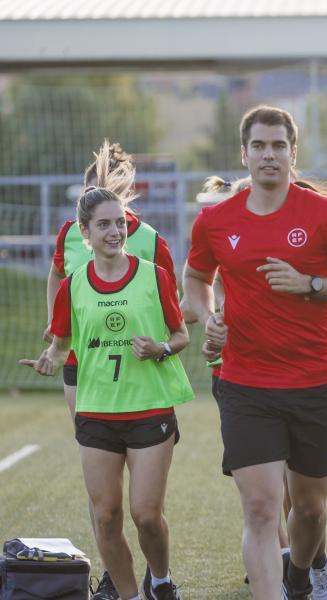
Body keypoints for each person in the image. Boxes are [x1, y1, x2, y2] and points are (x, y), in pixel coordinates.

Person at [183, 105, 327, 600]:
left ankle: (298, 575)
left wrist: (310, 284)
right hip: (245, 383)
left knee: (308, 510)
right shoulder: (215, 220)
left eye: (279, 146)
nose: (269, 155)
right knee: (263, 509)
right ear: (244, 154)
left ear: (293, 153)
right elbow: (197, 279)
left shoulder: (325, 214)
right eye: (260, 146)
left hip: (314, 381)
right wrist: (210, 318)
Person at [21, 186, 192, 600]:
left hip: (150, 409)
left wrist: (162, 348)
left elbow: (181, 333)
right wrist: (50, 360)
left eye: (120, 223)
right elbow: (61, 347)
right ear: (85, 232)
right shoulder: (73, 286)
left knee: (146, 515)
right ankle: (131, 595)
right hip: (96, 413)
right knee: (106, 515)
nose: (115, 232)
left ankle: (162, 582)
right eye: (104, 225)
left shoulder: (155, 275)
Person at [46, 140, 176, 418]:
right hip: (82, 358)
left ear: (124, 193)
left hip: (137, 364)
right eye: (91, 191)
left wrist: (160, 346)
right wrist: (54, 321)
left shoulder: (151, 240)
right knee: (89, 439)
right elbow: (57, 275)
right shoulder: (70, 233)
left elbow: (170, 303)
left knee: (144, 450)